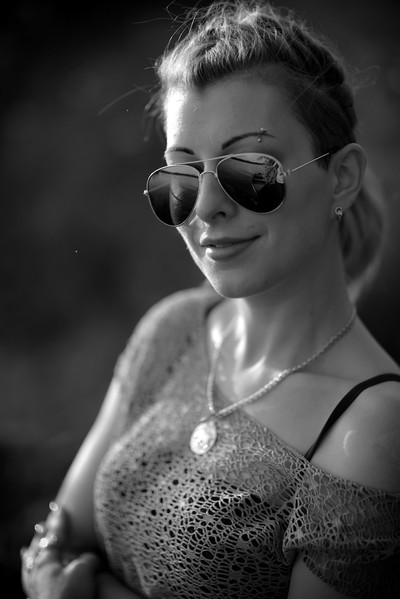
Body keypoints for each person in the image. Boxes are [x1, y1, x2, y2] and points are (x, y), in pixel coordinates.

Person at [20, 1, 400, 597]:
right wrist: (49, 569)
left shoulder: (373, 429)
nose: (205, 207)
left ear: (342, 178)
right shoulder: (174, 330)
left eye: (250, 170)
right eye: (182, 176)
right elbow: (59, 540)